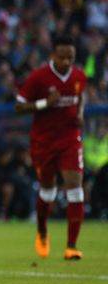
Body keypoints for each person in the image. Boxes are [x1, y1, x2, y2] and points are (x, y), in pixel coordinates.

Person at [15, 35, 87, 260]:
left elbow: (81, 96)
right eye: (62, 57)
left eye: (71, 57)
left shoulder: (79, 76)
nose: (67, 61)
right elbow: (19, 106)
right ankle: (42, 231)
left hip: (69, 139)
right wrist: (46, 103)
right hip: (43, 142)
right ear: (53, 55)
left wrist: (81, 114)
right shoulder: (39, 77)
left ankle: (71, 245)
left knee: (75, 187)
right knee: (48, 190)